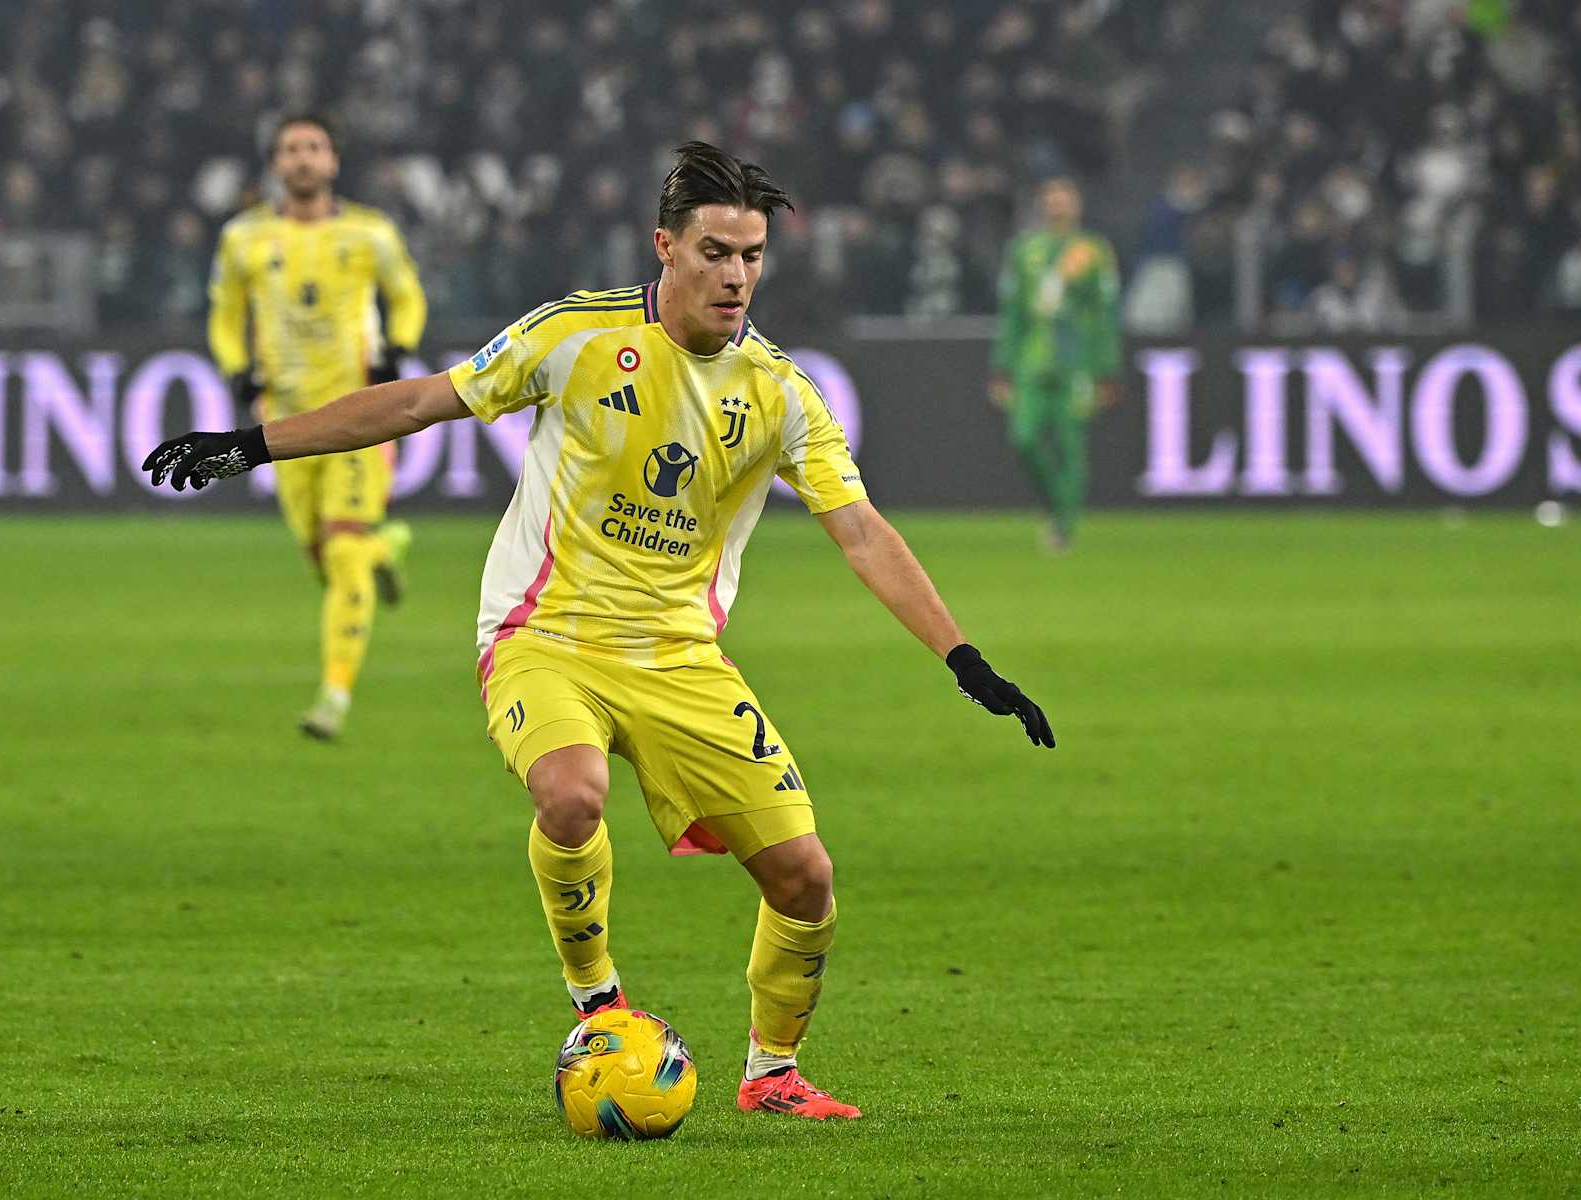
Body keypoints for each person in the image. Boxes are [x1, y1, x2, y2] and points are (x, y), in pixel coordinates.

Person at [148, 142, 1055, 1121]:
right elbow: (419, 400)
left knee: (806, 878)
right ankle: (599, 1003)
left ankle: (772, 1074)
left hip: (681, 660)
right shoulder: (573, 336)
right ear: (664, 247)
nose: (737, 275)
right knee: (571, 794)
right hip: (548, 636)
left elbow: (863, 533)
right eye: (715, 251)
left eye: (752, 255)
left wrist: (963, 658)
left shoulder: (783, 394)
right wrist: (248, 444)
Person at [207, 113, 427, 739]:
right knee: (327, 558)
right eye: (291, 150)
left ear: (332, 161)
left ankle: (333, 696)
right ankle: (389, 547)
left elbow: (407, 295)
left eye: (314, 148)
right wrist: (236, 370)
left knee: (342, 541)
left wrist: (398, 349)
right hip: (285, 422)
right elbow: (225, 316)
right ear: (277, 164)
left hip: (358, 412)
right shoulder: (244, 238)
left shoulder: (370, 232)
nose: (303, 159)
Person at [991, 177, 1122, 551]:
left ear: (1076, 206)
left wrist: (1106, 368)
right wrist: (1002, 365)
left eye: (1064, 200)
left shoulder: (1093, 251)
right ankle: (1056, 507)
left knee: (1070, 445)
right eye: (1051, 200)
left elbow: (1104, 312)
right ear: (1042, 206)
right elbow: (1012, 311)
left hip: (1075, 362)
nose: (1057, 207)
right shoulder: (1024, 250)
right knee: (1024, 437)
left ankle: (1063, 526)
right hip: (1032, 362)